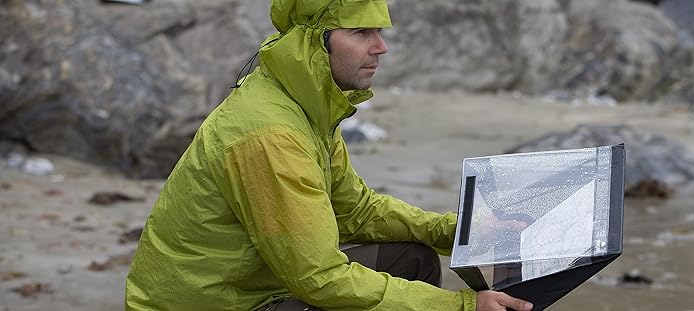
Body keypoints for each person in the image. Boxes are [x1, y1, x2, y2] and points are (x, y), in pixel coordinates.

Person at [124, 0, 533, 310]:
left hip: (257, 285)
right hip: (215, 304)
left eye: (378, 31)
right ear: (315, 43)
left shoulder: (306, 107)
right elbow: (319, 278)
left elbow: (357, 211)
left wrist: (457, 231)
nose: (381, 47)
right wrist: (460, 305)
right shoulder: (271, 134)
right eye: (361, 32)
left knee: (412, 259)